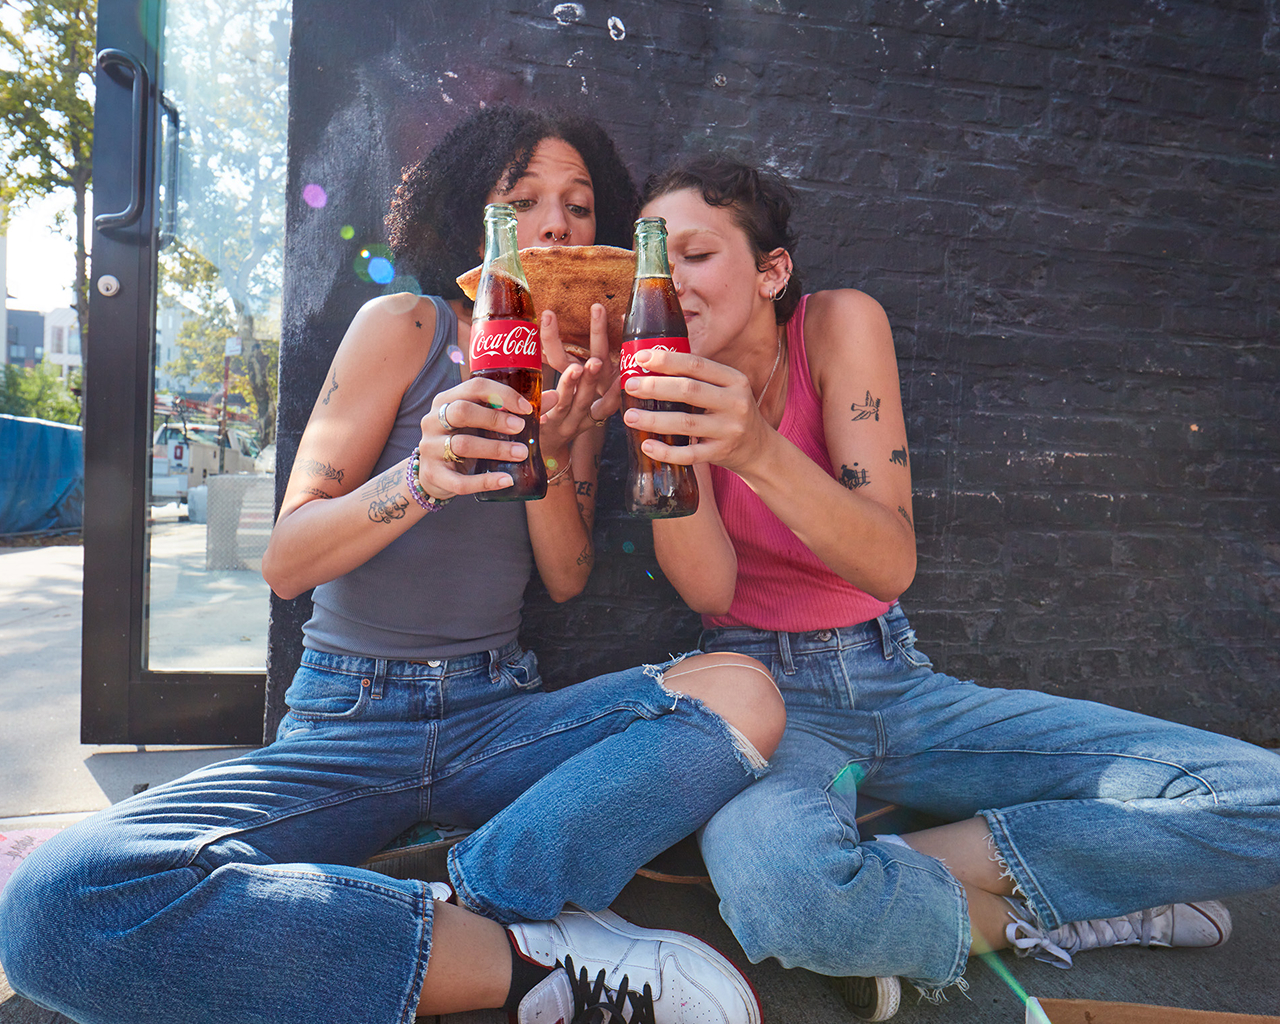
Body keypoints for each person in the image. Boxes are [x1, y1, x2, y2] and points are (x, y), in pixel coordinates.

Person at [0, 111, 786, 1024]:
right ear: (471, 214)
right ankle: (529, 955)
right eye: (523, 200)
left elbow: (565, 578)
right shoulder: (406, 325)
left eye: (579, 206)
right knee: (59, 908)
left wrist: (560, 441)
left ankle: (465, 891)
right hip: (350, 720)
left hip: (497, 715)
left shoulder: (574, 364)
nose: (558, 224)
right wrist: (422, 474)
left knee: (747, 694)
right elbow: (288, 561)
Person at [622, 155, 1280, 1016]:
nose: (672, 286)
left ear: (772, 271)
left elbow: (888, 561)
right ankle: (1055, 917)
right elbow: (710, 592)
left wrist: (754, 446)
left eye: (698, 256)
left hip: (893, 677)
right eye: (654, 268)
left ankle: (890, 886)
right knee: (787, 895)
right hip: (760, 696)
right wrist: (662, 431)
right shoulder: (661, 378)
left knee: (1259, 800)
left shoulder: (837, 325)